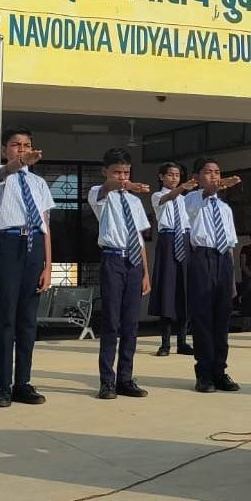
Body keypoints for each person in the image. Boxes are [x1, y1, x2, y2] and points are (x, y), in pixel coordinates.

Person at [0, 127, 54, 407]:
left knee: (28, 321)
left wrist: (48, 265)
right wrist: (20, 163)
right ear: (6, 150)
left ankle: (22, 383)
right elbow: (5, 173)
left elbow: (45, 224)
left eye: (27, 145)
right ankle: (3, 386)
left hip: (34, 246)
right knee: (7, 319)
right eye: (16, 145)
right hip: (11, 246)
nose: (22, 149)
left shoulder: (39, 183)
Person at [88, 148, 153, 399]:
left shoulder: (135, 201)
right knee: (111, 322)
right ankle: (107, 380)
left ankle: (126, 377)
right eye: (117, 172)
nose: (123, 177)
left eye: (126, 172)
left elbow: (139, 237)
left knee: (130, 323)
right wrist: (122, 184)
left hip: (134, 261)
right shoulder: (100, 194)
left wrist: (146, 272)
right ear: (106, 171)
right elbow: (106, 189)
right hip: (113, 259)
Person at [183, 157, 242, 393]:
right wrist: (210, 189)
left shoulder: (226, 209)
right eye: (208, 172)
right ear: (197, 178)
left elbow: (230, 245)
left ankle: (220, 370)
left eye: (217, 172)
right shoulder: (191, 199)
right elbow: (202, 199)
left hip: (222, 261)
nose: (214, 176)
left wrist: (232, 279)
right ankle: (204, 372)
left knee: (222, 317)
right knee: (203, 316)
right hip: (202, 258)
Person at [151, 162, 196, 356]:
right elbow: (168, 198)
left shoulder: (184, 200)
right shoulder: (158, 195)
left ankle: (183, 340)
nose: (175, 178)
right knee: (167, 290)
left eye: (178, 175)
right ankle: (165, 342)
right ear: (162, 177)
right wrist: (181, 189)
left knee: (184, 289)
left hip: (184, 239)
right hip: (168, 240)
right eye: (170, 175)